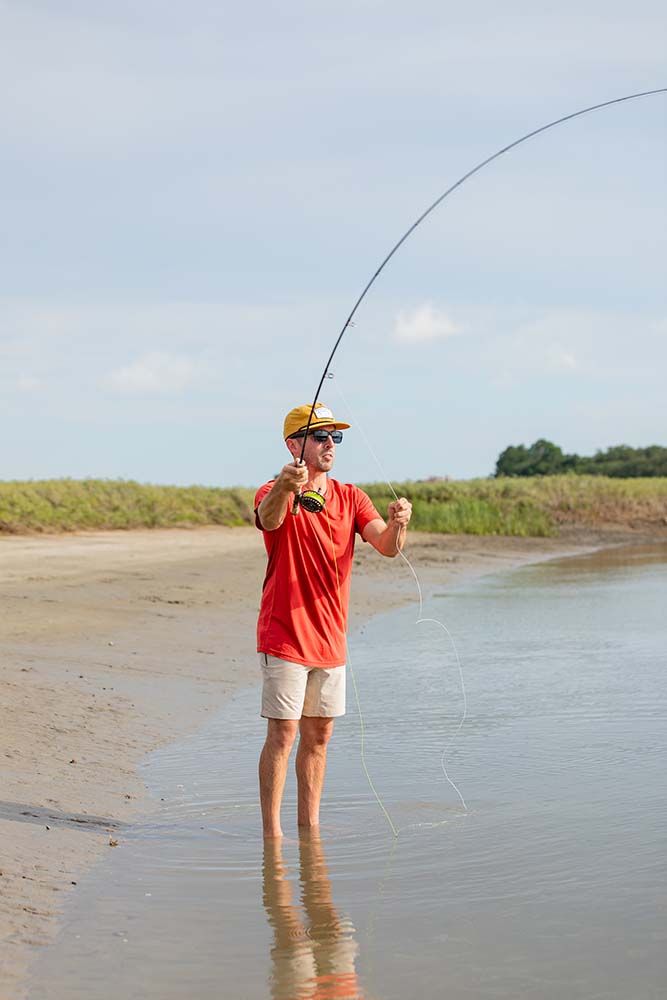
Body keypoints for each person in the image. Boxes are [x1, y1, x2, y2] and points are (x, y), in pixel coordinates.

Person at [255, 401, 412, 838]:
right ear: (294, 445)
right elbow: (268, 520)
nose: (330, 444)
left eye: (335, 436)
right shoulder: (272, 489)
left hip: (330, 641)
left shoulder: (352, 496)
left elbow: (385, 545)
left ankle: (310, 829)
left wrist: (399, 523)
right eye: (321, 436)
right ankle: (273, 837)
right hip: (284, 634)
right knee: (283, 736)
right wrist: (286, 488)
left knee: (319, 738)